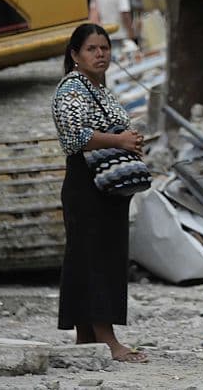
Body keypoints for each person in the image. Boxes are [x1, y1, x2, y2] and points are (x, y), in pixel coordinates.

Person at [51, 24, 147, 362]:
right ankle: (108, 341)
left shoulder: (100, 89)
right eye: (92, 49)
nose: (100, 54)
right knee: (94, 258)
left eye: (104, 48)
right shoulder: (72, 89)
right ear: (75, 55)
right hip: (86, 183)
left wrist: (130, 141)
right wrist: (119, 140)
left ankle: (87, 337)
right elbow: (76, 137)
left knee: (94, 257)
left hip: (106, 185)